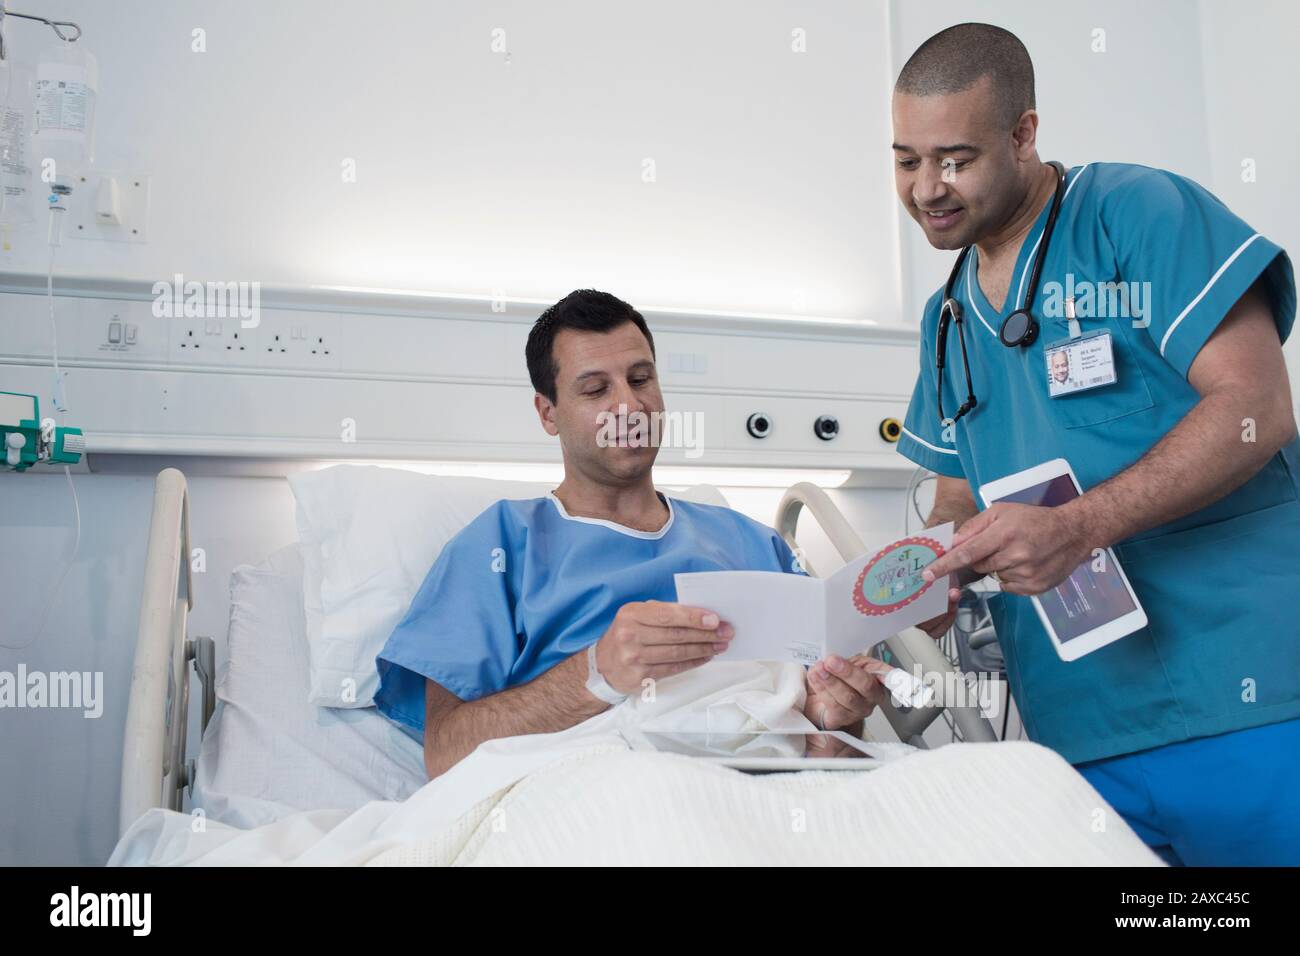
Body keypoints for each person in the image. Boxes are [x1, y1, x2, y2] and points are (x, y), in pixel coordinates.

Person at [890, 23, 1299, 865]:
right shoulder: (948, 321)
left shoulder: (1136, 215)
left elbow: (1257, 405)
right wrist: (886, 603)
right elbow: (957, 504)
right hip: (1076, 736)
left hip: (1251, 694)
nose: (928, 186)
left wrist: (1075, 528)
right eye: (906, 160)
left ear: (1024, 133)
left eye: (955, 158)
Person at [375, 289, 890, 777]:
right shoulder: (500, 546)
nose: (629, 405)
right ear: (548, 412)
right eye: (596, 389)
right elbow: (446, 753)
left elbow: (824, 742)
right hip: (607, 789)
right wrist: (598, 672)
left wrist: (836, 716)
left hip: (779, 790)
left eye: (641, 379)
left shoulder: (752, 542)